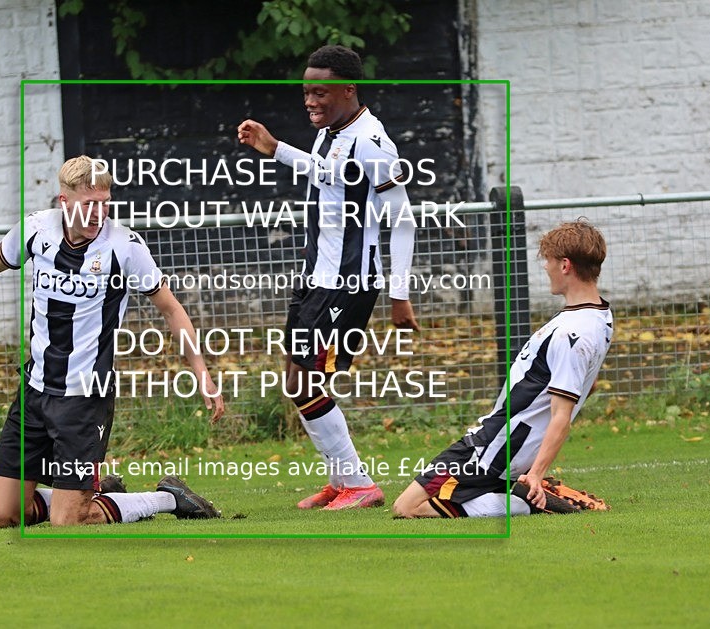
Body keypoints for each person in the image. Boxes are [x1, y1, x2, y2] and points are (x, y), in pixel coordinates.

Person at [0, 156, 225, 527]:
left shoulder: (126, 247)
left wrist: (201, 371)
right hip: (35, 391)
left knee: (69, 522)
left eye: (105, 203)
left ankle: (165, 498)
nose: (99, 213)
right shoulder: (36, 230)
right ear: (64, 201)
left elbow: (172, 310)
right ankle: (94, 492)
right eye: (89, 204)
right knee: (2, 515)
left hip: (84, 398)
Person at [238, 45, 419, 510]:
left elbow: (402, 220)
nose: (310, 100)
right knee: (298, 380)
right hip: (316, 278)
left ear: (348, 89)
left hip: (348, 285)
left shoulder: (373, 143)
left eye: (320, 92)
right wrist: (275, 148)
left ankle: (358, 484)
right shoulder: (330, 134)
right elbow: (327, 175)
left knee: (307, 382)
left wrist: (400, 296)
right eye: (306, 92)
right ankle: (345, 480)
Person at [392, 220, 613, 518]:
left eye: (547, 260)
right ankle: (524, 491)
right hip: (502, 442)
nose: (545, 267)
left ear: (564, 266)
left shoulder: (570, 334)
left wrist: (536, 473)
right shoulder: (601, 316)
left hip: (495, 447)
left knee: (406, 508)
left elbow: (561, 417)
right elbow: (587, 381)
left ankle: (530, 500)